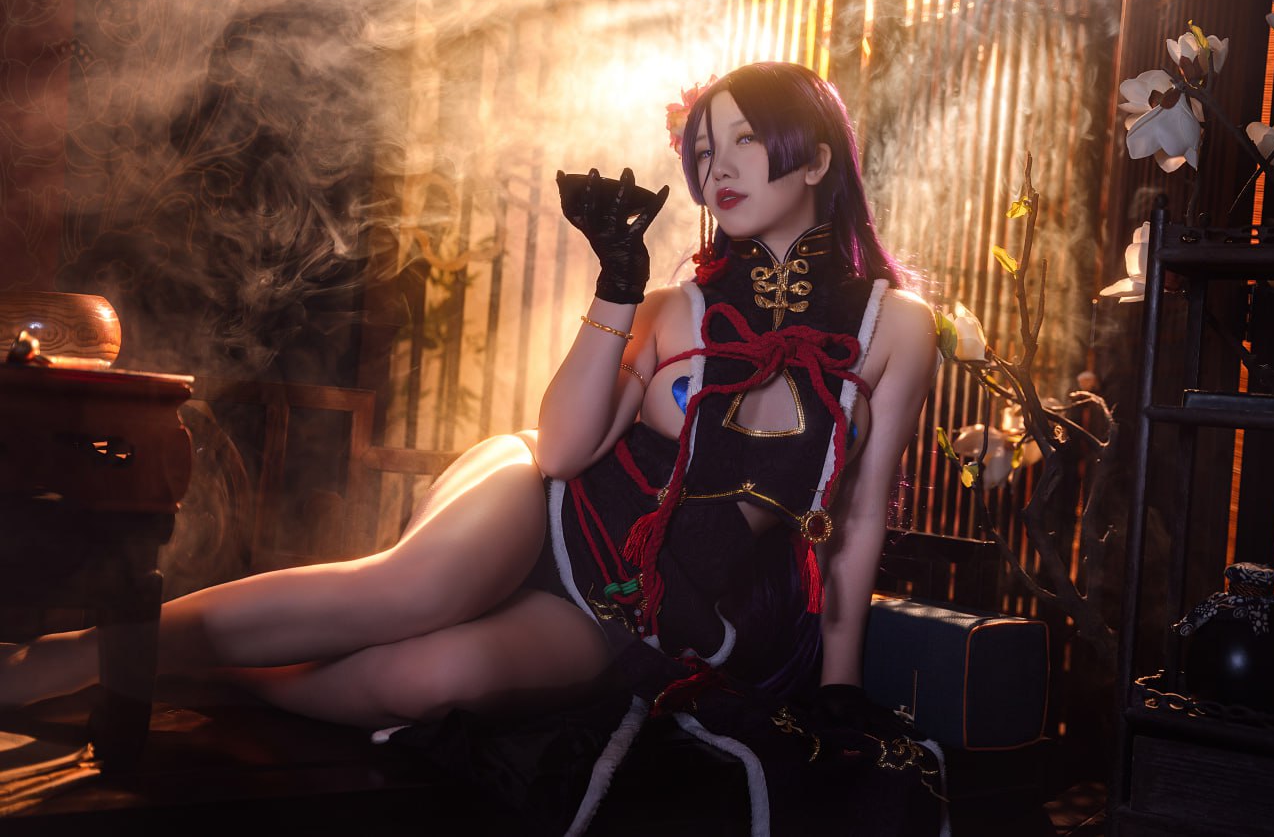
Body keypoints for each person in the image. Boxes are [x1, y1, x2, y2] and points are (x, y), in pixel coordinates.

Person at [2, 62, 941, 834]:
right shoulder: (673, 308)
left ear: (817, 159)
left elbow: (858, 518)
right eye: (706, 147)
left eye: (744, 140)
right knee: (407, 594)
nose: (719, 166)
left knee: (429, 678)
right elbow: (565, 452)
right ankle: (77, 654)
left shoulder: (896, 327)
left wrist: (841, 686)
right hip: (543, 500)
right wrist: (619, 288)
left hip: (629, 610)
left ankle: (185, 672)